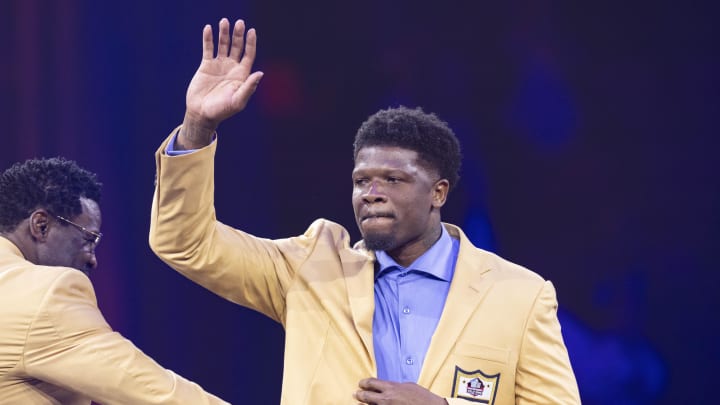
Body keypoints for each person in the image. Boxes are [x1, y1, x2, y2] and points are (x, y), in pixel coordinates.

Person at [149, 18, 581, 404]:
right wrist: (198, 126)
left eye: (393, 180)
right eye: (361, 181)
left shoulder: (519, 295)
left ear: (439, 192)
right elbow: (186, 244)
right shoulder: (310, 270)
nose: (370, 193)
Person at [0, 157, 229, 404]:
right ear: (41, 226)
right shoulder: (42, 293)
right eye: (89, 239)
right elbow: (155, 394)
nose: (93, 260)